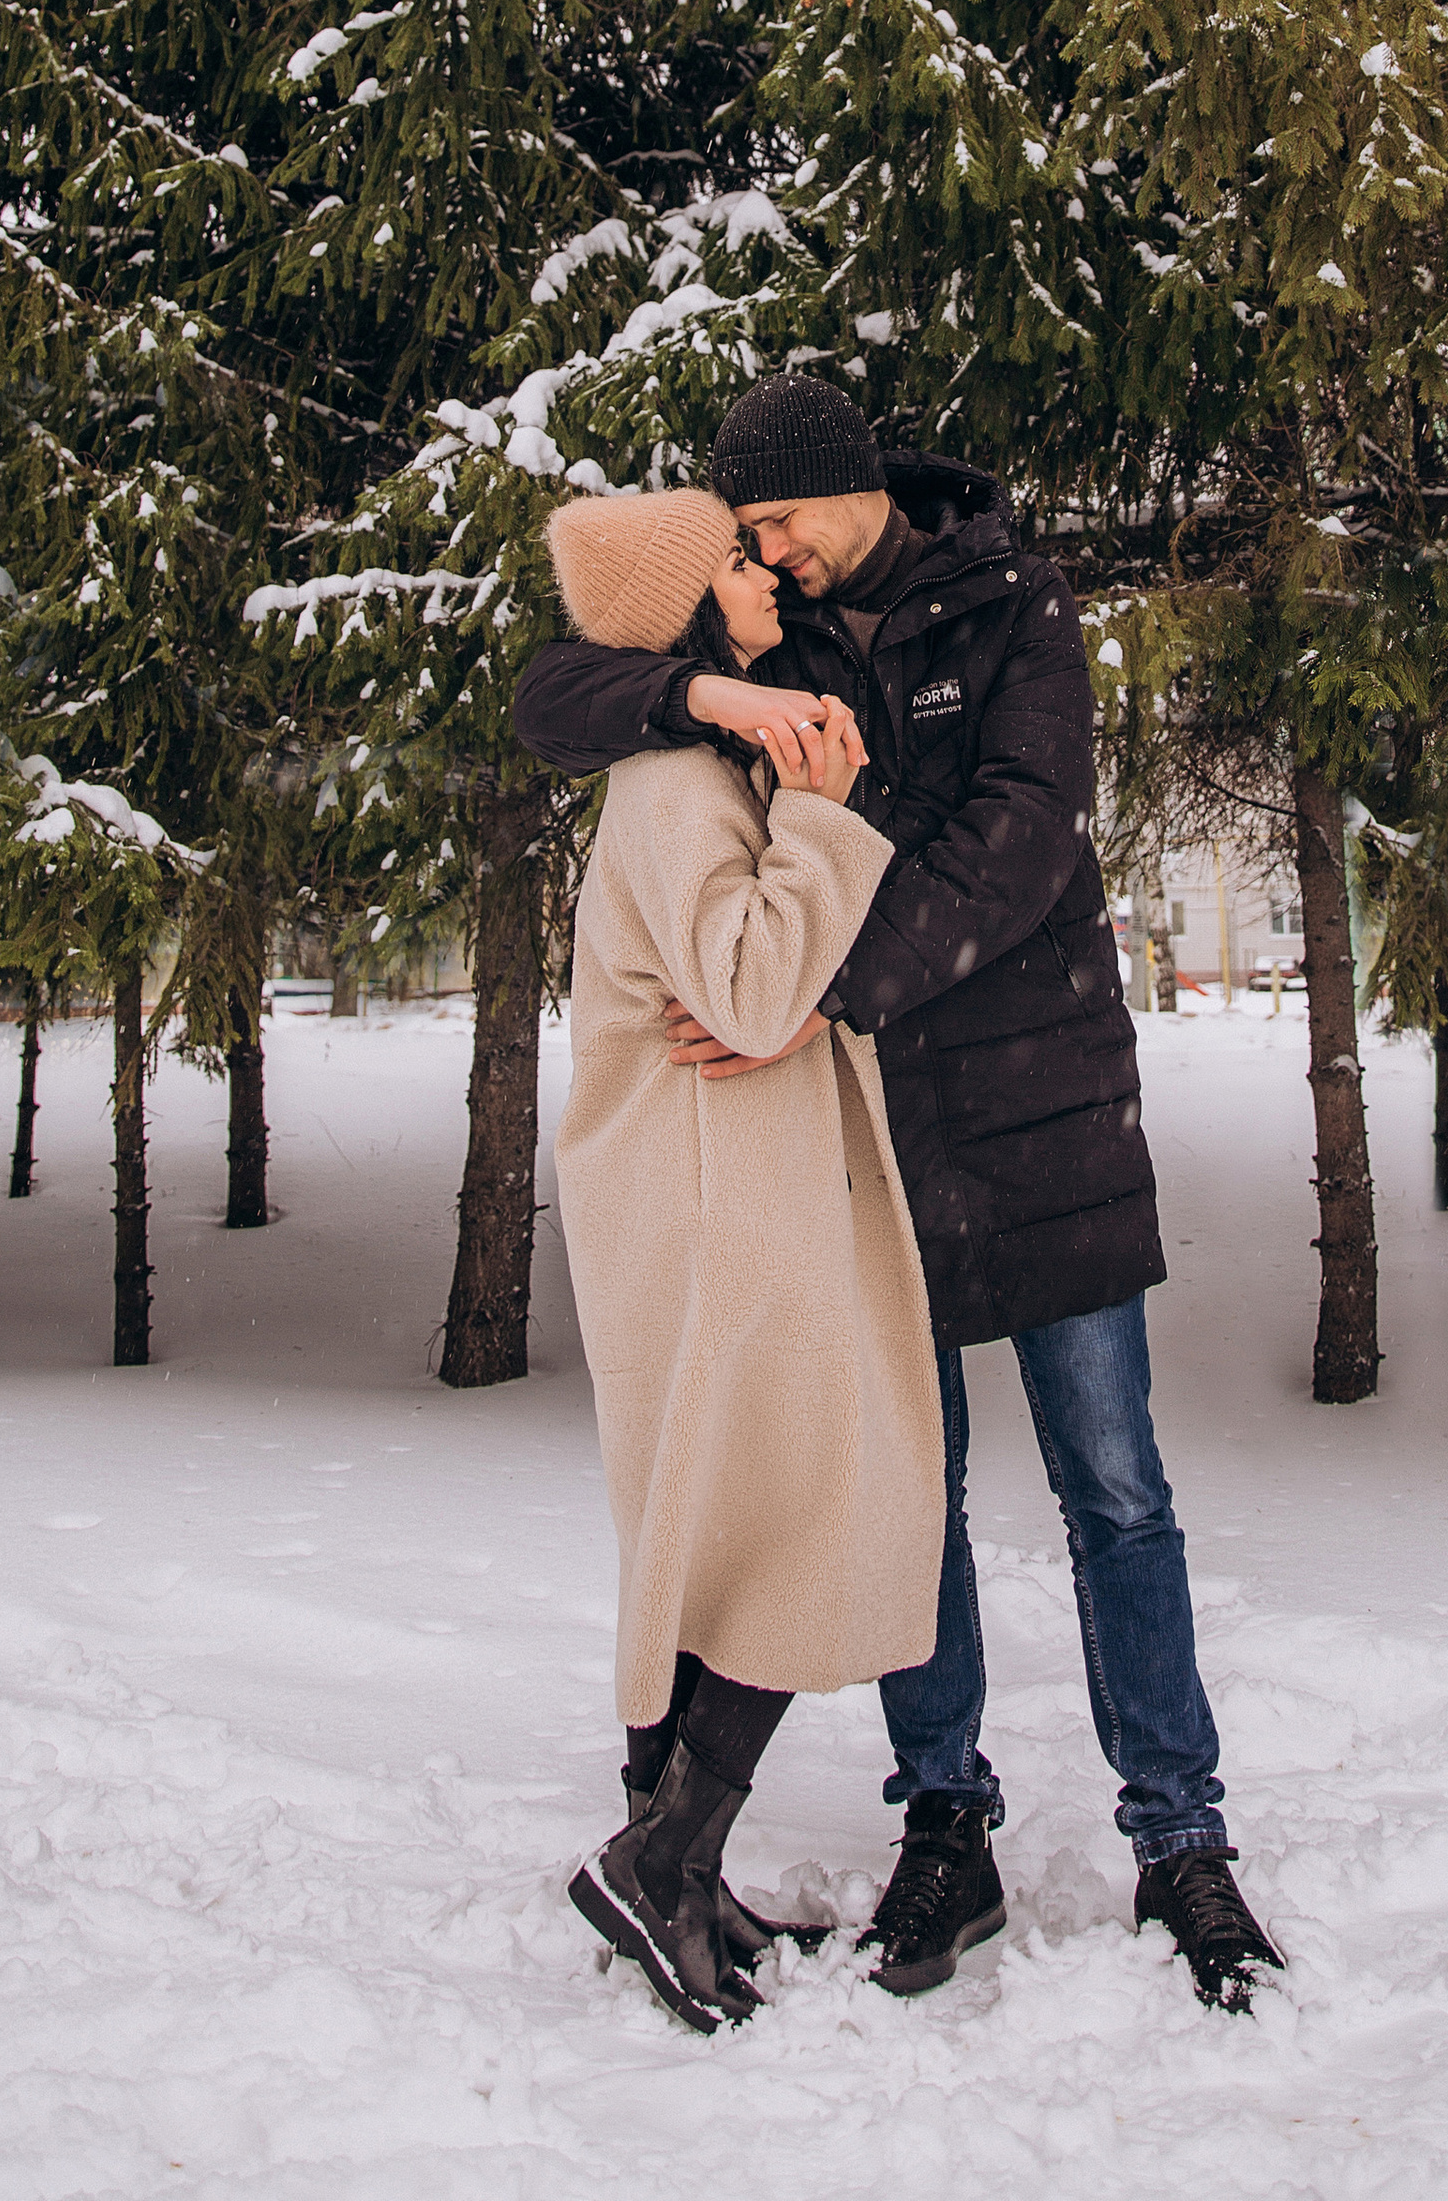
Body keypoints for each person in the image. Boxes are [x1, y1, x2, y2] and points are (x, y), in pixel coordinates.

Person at [516, 376, 1288, 2015]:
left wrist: (818, 993)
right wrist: (712, 703)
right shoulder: (764, 621)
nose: (767, 553)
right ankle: (947, 1819)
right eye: (749, 533)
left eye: (782, 520)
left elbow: (1024, 834)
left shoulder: (1009, 596)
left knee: (1116, 1487)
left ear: (851, 490)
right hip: (867, 1137)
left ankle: (1182, 1837)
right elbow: (555, 693)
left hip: (1037, 1098)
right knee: (900, 1490)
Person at [541, 484, 944, 2036]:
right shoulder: (673, 791)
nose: (766, 571)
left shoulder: (700, 764)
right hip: (723, 1210)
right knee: (790, 1517)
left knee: (728, 1523)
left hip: (733, 1194)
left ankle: (674, 1868)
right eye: (737, 557)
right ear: (690, 614)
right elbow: (760, 994)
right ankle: (662, 1863)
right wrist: (830, 822)